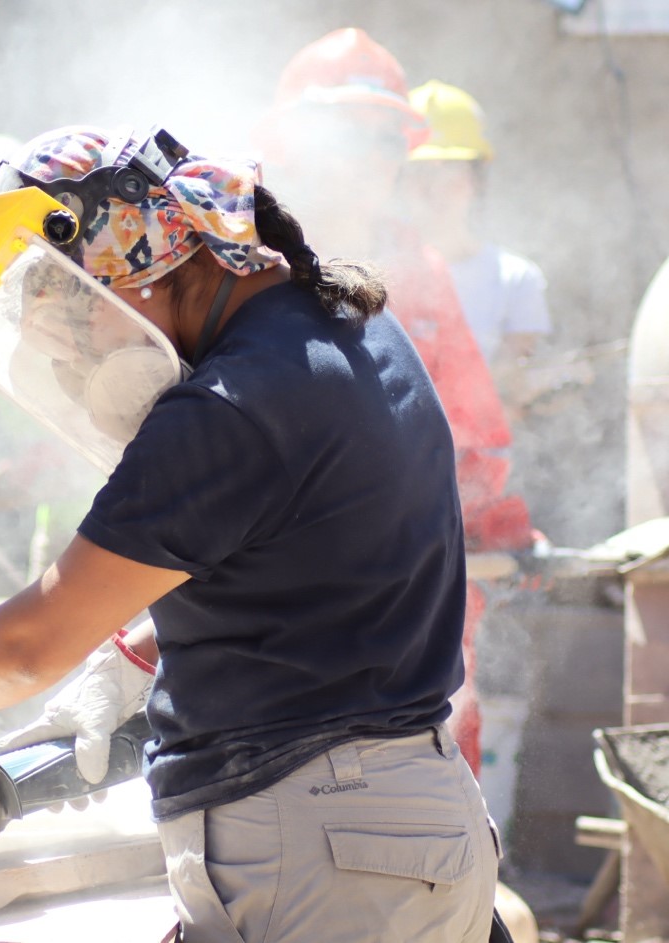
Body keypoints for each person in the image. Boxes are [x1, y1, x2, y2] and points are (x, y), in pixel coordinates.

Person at [0, 125, 500, 942]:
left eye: (76, 319)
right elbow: (312, 569)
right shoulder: (346, 331)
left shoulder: (230, 409)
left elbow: (31, 644)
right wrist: (139, 655)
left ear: (133, 256)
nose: (78, 354)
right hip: (408, 833)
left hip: (324, 858)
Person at [257, 30, 537, 778]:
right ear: (294, 145)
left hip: (415, 603)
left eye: (386, 140)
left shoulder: (417, 269)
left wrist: (499, 525)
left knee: (440, 793)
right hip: (271, 613)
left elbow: (472, 427)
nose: (373, 159)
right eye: (351, 136)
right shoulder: (245, 264)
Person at [402, 81, 553, 417]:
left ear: (476, 180)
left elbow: (512, 396)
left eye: (451, 172)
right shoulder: (373, 277)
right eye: (422, 174)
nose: (435, 189)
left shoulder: (516, 280)